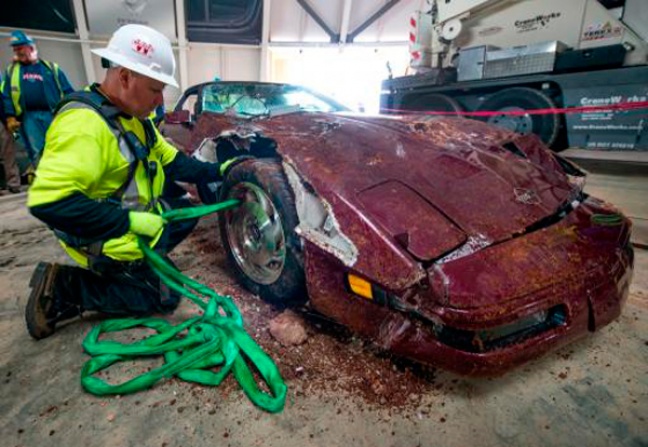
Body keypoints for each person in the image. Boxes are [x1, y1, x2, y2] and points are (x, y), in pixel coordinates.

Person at [25, 24, 246, 340]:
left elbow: (174, 162)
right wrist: (130, 222)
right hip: (96, 234)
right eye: (155, 90)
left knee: (182, 213)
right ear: (125, 77)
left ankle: (140, 266)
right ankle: (64, 287)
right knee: (162, 297)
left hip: (126, 222)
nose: (160, 102)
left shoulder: (133, 120)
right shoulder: (84, 126)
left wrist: (218, 170)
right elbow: (50, 204)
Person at [2, 30, 74, 164]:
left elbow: (68, 91)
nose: (18, 51)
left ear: (31, 47)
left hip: (53, 115)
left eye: (21, 47)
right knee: (37, 151)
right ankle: (46, 180)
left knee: (60, 146)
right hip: (29, 118)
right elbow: (6, 95)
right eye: (16, 49)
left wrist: (72, 111)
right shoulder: (11, 71)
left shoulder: (51, 68)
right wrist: (10, 116)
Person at [0, 72, 21, 193]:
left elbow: (5, 97)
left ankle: (14, 184)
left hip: (2, 118)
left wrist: (9, 117)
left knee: (8, 152)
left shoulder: (2, 78)